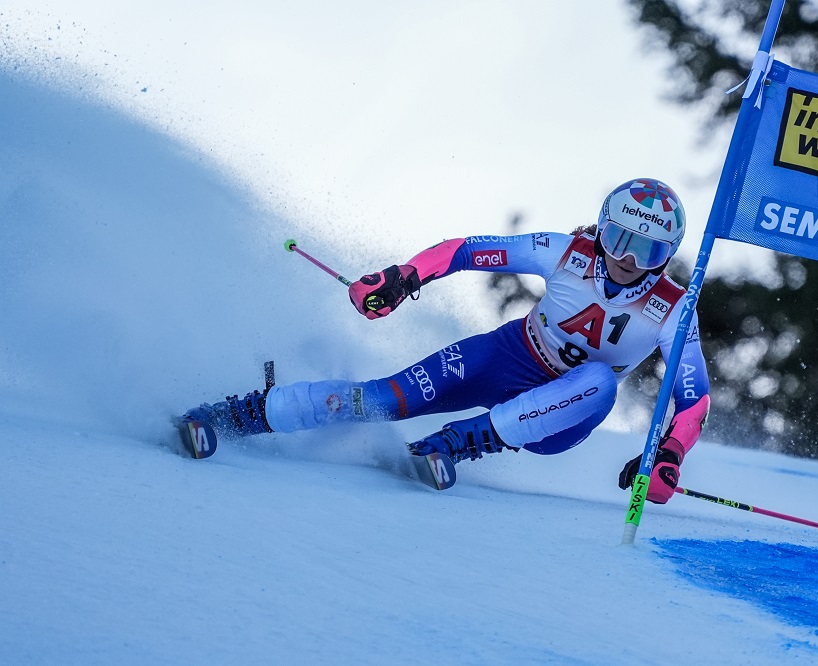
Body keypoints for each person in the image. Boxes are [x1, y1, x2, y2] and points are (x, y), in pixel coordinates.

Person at [182, 178, 710, 504]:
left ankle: (456, 442)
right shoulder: (565, 251)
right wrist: (402, 277)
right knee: (384, 398)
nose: (625, 260)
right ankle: (238, 414)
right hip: (505, 356)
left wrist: (667, 456)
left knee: (599, 381)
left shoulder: (673, 307)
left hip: (562, 414)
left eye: (647, 250)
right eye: (618, 239)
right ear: (601, 229)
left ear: (668, 253)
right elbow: (465, 250)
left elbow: (694, 398)